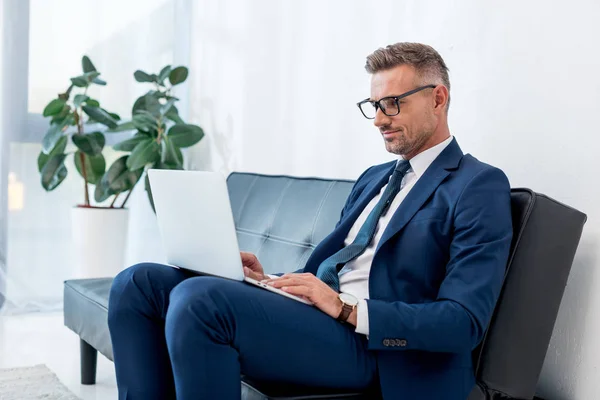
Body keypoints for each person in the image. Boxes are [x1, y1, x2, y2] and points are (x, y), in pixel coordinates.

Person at [108, 42, 513, 400]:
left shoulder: (477, 185)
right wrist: (272, 282)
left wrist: (344, 309)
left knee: (199, 301)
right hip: (320, 320)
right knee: (137, 284)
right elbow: (339, 267)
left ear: (438, 98)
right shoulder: (375, 177)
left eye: (393, 103)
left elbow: (463, 322)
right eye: (374, 106)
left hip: (381, 350)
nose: (379, 119)